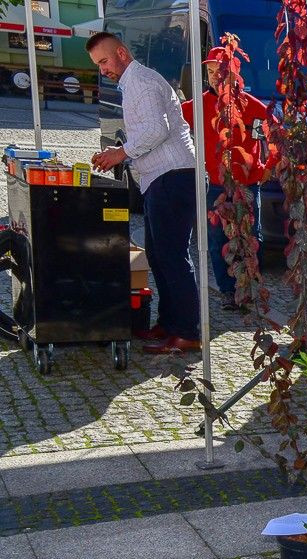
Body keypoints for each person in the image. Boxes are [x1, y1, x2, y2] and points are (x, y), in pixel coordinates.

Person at [88, 32, 200, 354]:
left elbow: (156, 130)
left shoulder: (140, 81)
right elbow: (147, 132)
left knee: (172, 258)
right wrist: (123, 150)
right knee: (160, 256)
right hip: (163, 177)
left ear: (122, 53)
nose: (102, 69)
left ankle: (187, 333)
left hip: (172, 176)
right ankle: (170, 324)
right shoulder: (135, 82)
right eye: (98, 64)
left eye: (104, 61)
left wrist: (121, 153)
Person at [181, 47, 273, 312]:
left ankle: (249, 289)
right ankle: (227, 291)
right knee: (216, 238)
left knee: (251, 236)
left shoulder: (253, 108)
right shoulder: (196, 108)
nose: (213, 77)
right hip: (216, 186)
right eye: (209, 72)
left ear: (234, 73)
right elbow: (170, 125)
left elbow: (276, 139)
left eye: (219, 71)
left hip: (246, 184)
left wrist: (269, 166)